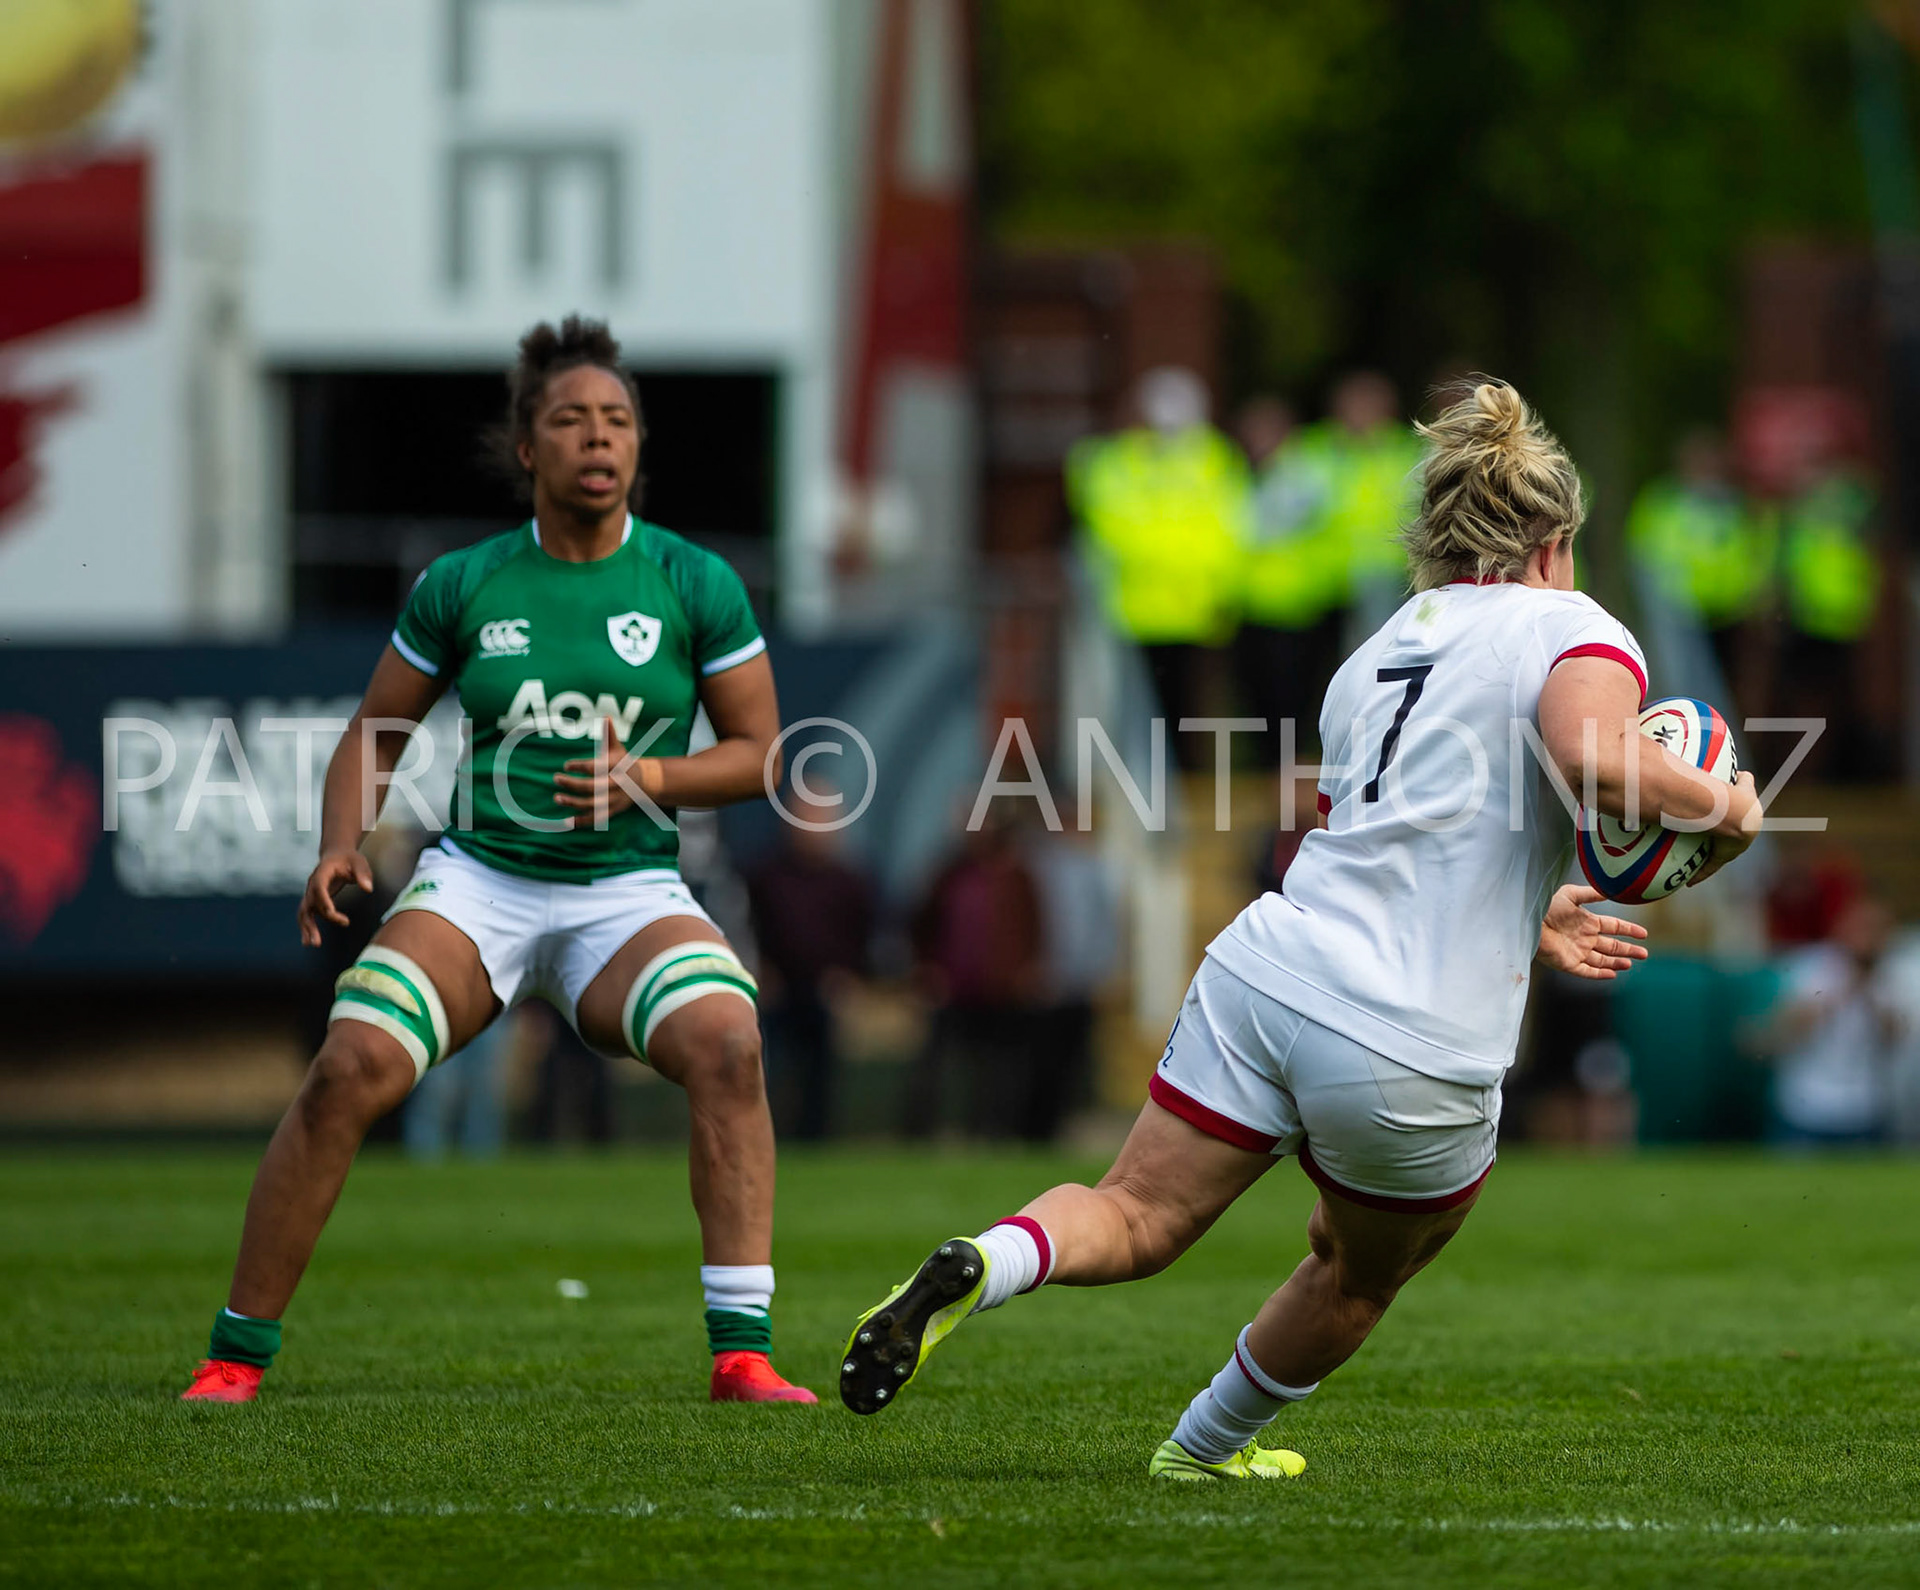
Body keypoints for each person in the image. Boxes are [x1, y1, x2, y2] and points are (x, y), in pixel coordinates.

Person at [836, 381, 1763, 1476]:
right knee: (1355, 1274)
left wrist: (1527, 907)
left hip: (1270, 968)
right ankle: (1200, 1450)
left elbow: (1390, 838)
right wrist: (1736, 809)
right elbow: (1595, 762)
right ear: (1555, 541)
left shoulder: (1379, 649)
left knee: (1132, 1215)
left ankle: (985, 1264)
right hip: (1411, 1039)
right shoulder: (1577, 625)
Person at [182, 315, 815, 1405]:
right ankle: (236, 1356)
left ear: (638, 448)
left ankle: (742, 1354)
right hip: (481, 882)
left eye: (617, 420)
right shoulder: (466, 583)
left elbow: (764, 754)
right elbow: (377, 729)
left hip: (628, 891)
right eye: (571, 419)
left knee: (727, 1042)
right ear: (528, 448)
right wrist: (341, 842)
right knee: (349, 1069)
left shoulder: (693, 581)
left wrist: (651, 781)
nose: (598, 438)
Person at [1067, 367, 1247, 757]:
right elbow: (1110, 520)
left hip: (1191, 608)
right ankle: (1154, 788)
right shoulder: (1121, 460)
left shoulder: (1213, 458)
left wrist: (1219, 587)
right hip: (1138, 610)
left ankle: (1179, 789)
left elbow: (1230, 528)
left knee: (1185, 708)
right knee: (1140, 710)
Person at [744, 788, 877, 1142]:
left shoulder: (849, 881)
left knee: (820, 1076)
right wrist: (760, 970)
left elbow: (864, 935)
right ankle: (765, 1140)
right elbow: (748, 926)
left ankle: (817, 1140)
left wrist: (850, 977)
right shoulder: (766, 875)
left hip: (825, 993)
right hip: (776, 993)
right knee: (770, 1072)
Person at [1761, 896, 1905, 1147]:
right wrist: (1838, 993)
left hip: (1865, 1108)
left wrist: (1868, 991)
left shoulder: (1895, 972)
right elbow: (1777, 1032)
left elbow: (1896, 1038)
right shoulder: (1810, 965)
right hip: (1806, 1105)